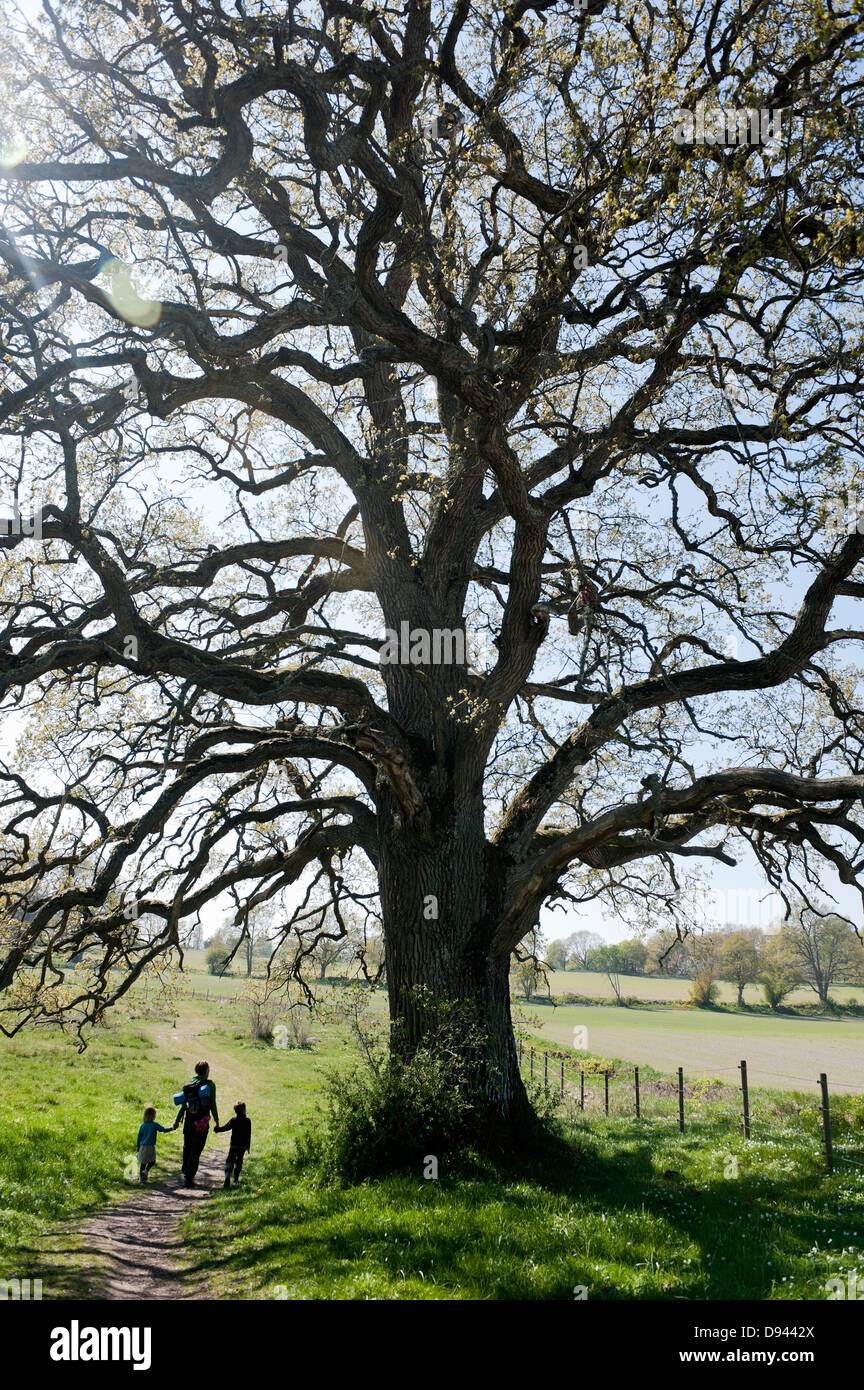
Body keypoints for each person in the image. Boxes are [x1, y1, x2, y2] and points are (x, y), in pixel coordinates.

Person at [172, 1060, 219, 1188]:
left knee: (187, 1147)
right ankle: (189, 1177)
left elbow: (183, 1106)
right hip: (201, 1123)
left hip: (188, 1121)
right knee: (196, 1149)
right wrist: (217, 1121)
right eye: (208, 1069)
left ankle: (186, 1172)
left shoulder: (189, 1084)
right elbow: (212, 1104)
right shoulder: (210, 1085)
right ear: (206, 1071)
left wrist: (177, 1121)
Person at [215, 1101, 252, 1189]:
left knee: (230, 1161)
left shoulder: (233, 1120)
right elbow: (248, 1134)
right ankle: (236, 1178)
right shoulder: (247, 1121)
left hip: (234, 1145)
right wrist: (248, 1146)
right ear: (244, 1110)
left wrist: (217, 1129)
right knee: (239, 1161)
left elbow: (226, 1128)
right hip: (242, 1146)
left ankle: (227, 1177)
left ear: (235, 1111)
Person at [136, 1106, 172, 1184]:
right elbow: (164, 1130)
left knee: (143, 1162)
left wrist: (137, 1146)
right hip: (151, 1146)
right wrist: (172, 1128)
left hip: (143, 1146)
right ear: (153, 1116)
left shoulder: (143, 1125)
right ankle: (145, 1172)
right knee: (152, 1161)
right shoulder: (154, 1125)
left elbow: (139, 1136)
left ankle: (141, 1178)